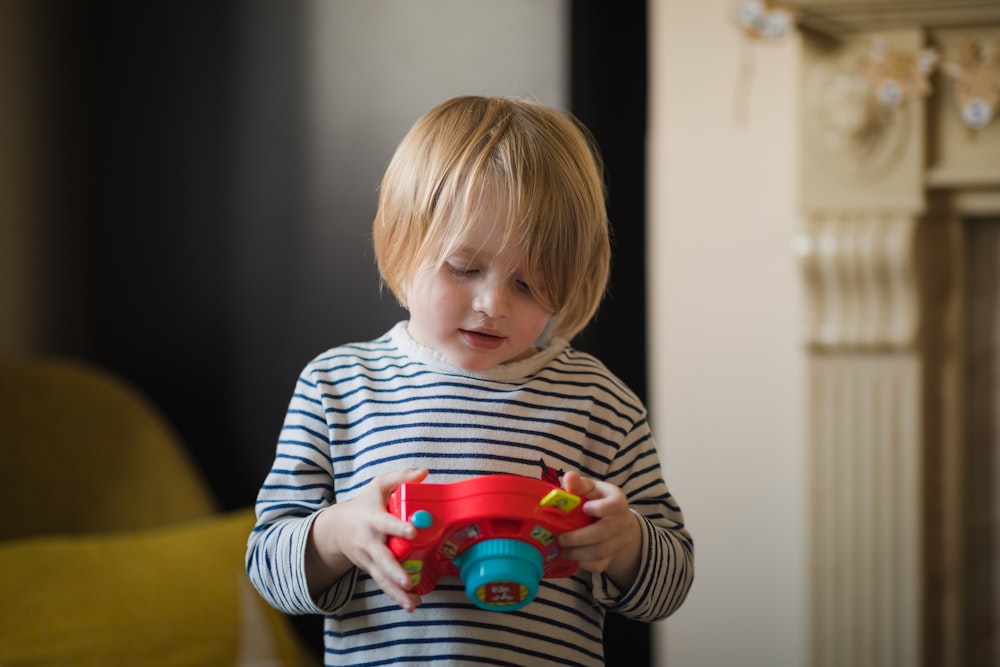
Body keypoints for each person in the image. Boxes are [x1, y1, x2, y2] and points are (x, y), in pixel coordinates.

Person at [246, 95, 693, 666]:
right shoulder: (338, 386)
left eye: (529, 285)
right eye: (464, 269)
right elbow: (267, 566)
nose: (492, 304)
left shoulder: (598, 402)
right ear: (401, 244)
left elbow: (670, 583)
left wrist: (627, 543)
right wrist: (336, 534)